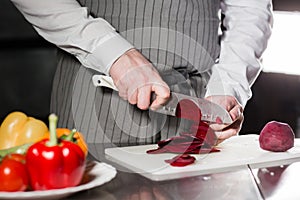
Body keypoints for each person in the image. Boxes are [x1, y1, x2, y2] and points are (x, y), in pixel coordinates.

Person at [10, 0, 273, 146]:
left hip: (200, 104)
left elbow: (250, 7)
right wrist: (112, 53)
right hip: (97, 95)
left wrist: (227, 85)